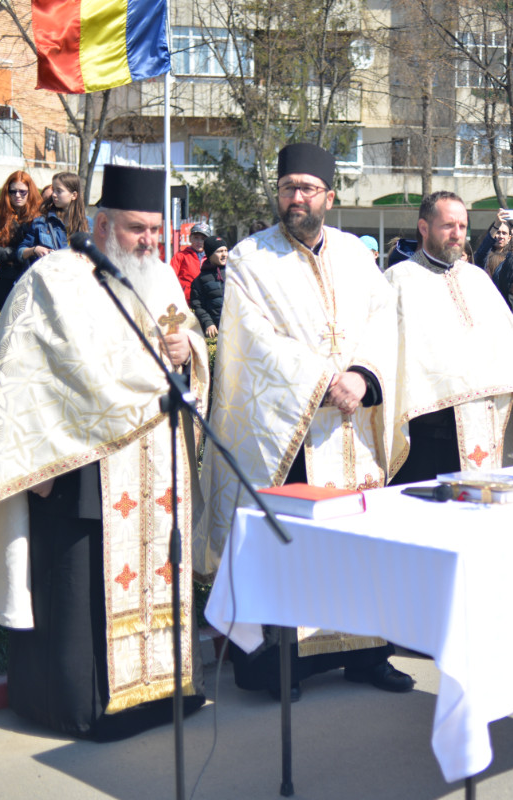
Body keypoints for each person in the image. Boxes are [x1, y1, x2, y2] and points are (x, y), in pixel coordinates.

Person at [0, 165, 211, 740]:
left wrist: (187, 348)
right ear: (101, 223)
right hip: (83, 469)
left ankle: (158, 693)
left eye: (154, 230)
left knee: (155, 577)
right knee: (82, 591)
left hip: (154, 469)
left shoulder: (163, 279)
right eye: (137, 228)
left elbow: (187, 342)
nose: (148, 240)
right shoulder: (54, 280)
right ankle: (83, 707)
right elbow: (38, 371)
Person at [196, 142, 412, 700]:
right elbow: (254, 344)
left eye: (307, 189)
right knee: (297, 545)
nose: (297, 197)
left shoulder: (356, 256)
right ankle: (286, 665)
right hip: (292, 428)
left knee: (360, 542)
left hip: (352, 426)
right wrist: (325, 381)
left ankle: (367, 654)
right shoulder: (249, 258)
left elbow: (381, 321)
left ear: (329, 197)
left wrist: (362, 376)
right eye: (288, 187)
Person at [386, 191, 513, 484]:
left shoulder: (477, 279)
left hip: (480, 427)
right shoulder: (399, 280)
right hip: (424, 436)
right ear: (424, 228)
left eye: (462, 226)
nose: (457, 234)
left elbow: (510, 342)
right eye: (448, 226)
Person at [0, 170, 41, 311]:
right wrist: (21, 254)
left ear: (30, 192)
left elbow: (39, 252)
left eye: (22, 191)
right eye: (13, 191)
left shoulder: (38, 220)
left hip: (29, 279)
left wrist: (13, 255)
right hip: (4, 280)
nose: (17, 195)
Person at [18, 171, 88, 265]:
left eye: (59, 191)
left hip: (76, 277)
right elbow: (20, 252)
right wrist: (35, 249)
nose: (54, 194)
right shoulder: (41, 222)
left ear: (74, 195)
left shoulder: (88, 224)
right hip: (49, 277)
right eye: (54, 190)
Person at [190, 235, 227, 338]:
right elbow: (198, 306)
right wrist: (208, 322)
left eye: (225, 250)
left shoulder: (234, 274)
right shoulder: (199, 281)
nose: (224, 254)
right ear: (210, 254)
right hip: (214, 332)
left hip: (235, 328)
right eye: (219, 251)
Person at [170, 220, 212, 301]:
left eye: (203, 239)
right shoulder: (181, 256)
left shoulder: (212, 258)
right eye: (196, 238)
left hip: (206, 301)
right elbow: (170, 277)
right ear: (190, 239)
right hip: (186, 300)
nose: (199, 242)